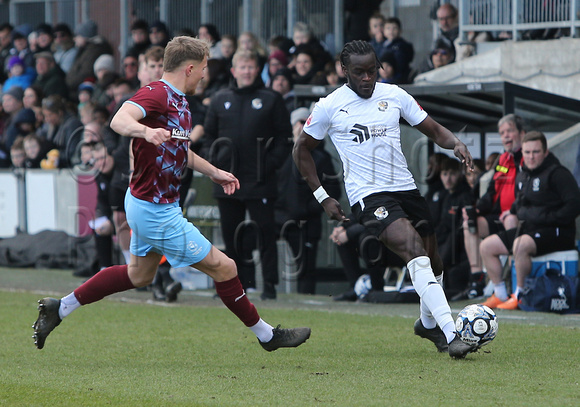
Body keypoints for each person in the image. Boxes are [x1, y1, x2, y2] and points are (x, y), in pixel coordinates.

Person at [32, 36, 311, 352]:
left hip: (148, 204)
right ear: (189, 68)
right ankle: (267, 336)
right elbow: (119, 119)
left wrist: (214, 172)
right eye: (203, 69)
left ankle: (61, 307)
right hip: (155, 210)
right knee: (226, 268)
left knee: (140, 275)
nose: (204, 75)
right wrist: (145, 131)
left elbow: (181, 150)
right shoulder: (158, 94)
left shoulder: (180, 101)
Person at [292, 40, 475, 358]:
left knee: (435, 264)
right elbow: (300, 150)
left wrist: (455, 143)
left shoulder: (395, 95)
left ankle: (427, 323)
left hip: (406, 190)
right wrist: (323, 197)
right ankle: (453, 332)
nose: (367, 78)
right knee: (414, 252)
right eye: (359, 72)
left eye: (372, 71)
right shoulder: (329, 106)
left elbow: (431, 129)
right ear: (343, 70)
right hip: (369, 196)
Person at [202, 49, 293, 300]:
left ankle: (269, 285)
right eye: (242, 67)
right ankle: (234, 286)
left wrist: (269, 164)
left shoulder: (271, 98)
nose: (247, 71)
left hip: (260, 181)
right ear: (233, 71)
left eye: (251, 66)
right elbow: (209, 137)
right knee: (232, 237)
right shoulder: (220, 99)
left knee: (264, 233)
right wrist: (215, 165)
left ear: (257, 69)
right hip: (227, 180)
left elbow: (285, 139)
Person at [479, 131, 580, 309]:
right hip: (530, 230)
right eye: (527, 152)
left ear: (545, 152)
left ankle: (519, 295)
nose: (531, 157)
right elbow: (519, 203)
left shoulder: (558, 174)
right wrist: (510, 212)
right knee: (487, 246)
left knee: (520, 244)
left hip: (557, 232)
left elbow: (574, 205)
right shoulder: (523, 175)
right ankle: (500, 293)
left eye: (535, 152)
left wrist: (550, 218)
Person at [452, 114, 524, 301]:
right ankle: (477, 279)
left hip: (520, 218)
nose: (506, 136)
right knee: (470, 222)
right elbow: (492, 192)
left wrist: (514, 210)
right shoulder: (502, 160)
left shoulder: (527, 157)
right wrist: (476, 210)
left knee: (511, 219)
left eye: (510, 131)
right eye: (502, 133)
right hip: (498, 217)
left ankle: (514, 282)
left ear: (521, 133)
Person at [276, 107, 341, 294]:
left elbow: (333, 190)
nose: (302, 126)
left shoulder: (322, 157)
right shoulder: (281, 154)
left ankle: (305, 301)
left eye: (306, 122)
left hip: (307, 222)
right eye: (299, 122)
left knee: (305, 266)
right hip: (280, 218)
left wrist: (309, 208)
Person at [379, 17, 414, 84]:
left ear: (400, 30)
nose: (391, 31)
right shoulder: (382, 45)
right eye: (388, 28)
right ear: (383, 31)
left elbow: (401, 63)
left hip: (399, 78)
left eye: (394, 28)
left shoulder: (402, 46)